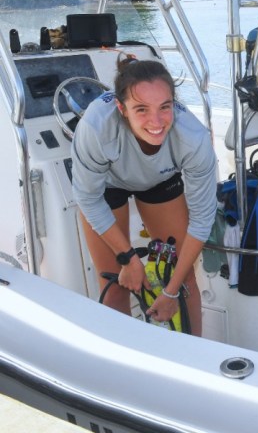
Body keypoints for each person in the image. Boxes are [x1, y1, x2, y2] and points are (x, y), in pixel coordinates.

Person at [71, 55, 218, 335]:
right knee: (115, 284)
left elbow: (201, 221)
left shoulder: (193, 138)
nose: (156, 121)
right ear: (121, 108)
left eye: (165, 107)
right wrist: (128, 258)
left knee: (183, 279)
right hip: (108, 184)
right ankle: (122, 369)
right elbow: (88, 198)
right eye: (141, 109)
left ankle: (194, 359)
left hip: (160, 177)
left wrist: (171, 292)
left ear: (174, 103)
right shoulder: (96, 127)